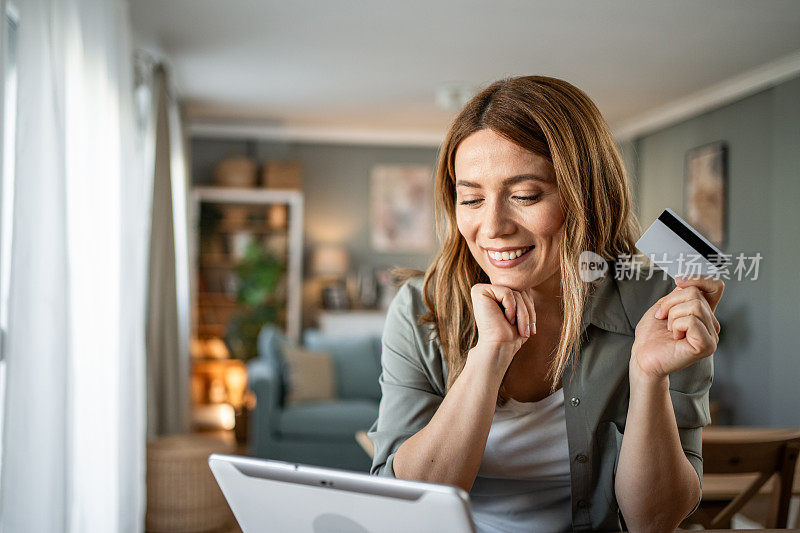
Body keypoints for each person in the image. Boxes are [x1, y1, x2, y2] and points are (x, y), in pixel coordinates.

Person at [367, 75, 723, 532]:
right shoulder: (420, 309)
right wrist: (488, 358)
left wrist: (649, 377)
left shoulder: (661, 305)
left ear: (587, 196)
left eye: (525, 196)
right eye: (471, 198)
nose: (492, 226)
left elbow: (653, 521)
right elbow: (407, 506)